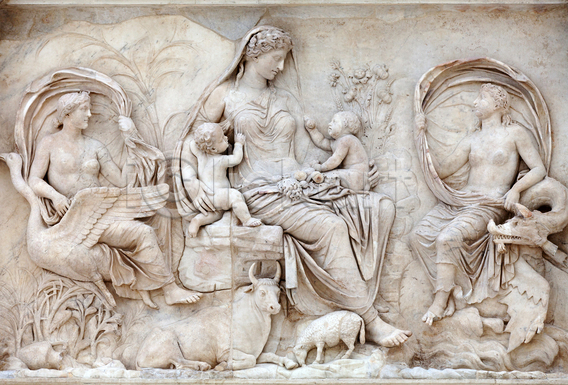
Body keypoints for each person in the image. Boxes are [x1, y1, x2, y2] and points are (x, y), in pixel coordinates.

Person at [174, 26, 411, 347]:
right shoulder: (224, 96)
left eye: (284, 59)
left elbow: (307, 152)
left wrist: (350, 168)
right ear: (253, 55)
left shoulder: (285, 98)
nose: (281, 66)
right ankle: (369, 320)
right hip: (258, 192)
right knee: (331, 227)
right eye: (276, 58)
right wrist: (192, 183)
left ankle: (356, 298)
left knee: (377, 206)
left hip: (295, 183)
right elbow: (191, 142)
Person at [29, 91, 201, 308]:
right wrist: (55, 196)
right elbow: (34, 179)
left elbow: (121, 181)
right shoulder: (50, 143)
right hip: (69, 220)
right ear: (68, 113)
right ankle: (161, 287)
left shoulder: (95, 146)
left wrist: (130, 143)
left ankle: (169, 289)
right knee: (141, 232)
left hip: (99, 215)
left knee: (144, 232)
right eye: (84, 109)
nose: (89, 114)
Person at [410, 83, 546, 325]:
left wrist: (515, 190)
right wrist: (420, 135)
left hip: (489, 205)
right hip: (461, 202)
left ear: (498, 104)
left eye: (481, 98)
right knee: (418, 236)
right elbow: (441, 171)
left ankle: (439, 302)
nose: (475, 102)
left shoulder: (514, 134)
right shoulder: (472, 139)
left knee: (447, 238)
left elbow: (538, 169)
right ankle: (451, 287)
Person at [188, 123, 261, 237]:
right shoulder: (221, 160)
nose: (226, 138)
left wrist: (202, 137)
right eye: (222, 139)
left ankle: (197, 221)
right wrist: (238, 144)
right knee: (235, 196)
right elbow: (236, 159)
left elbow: (193, 143)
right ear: (213, 148)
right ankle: (246, 220)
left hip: (207, 196)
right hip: (217, 194)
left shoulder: (200, 156)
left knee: (216, 214)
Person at [304, 111, 375, 191]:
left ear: (345, 125)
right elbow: (322, 142)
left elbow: (335, 160)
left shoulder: (346, 139)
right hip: (352, 176)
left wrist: (321, 167)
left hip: (357, 177)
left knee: (331, 176)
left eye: (334, 121)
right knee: (329, 176)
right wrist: (313, 130)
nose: (329, 124)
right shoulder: (338, 142)